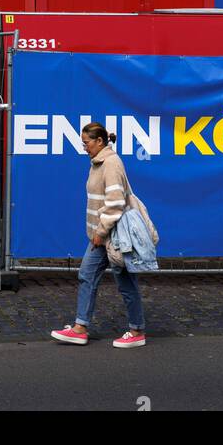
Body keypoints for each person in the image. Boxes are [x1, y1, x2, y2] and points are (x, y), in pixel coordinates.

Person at [50, 122, 146, 347]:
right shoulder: (97, 163)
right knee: (87, 274)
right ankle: (80, 327)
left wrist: (100, 233)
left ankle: (137, 331)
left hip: (111, 236)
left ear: (100, 141)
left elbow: (115, 203)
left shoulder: (110, 164)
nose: (84, 147)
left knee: (125, 283)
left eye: (87, 143)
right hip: (102, 236)